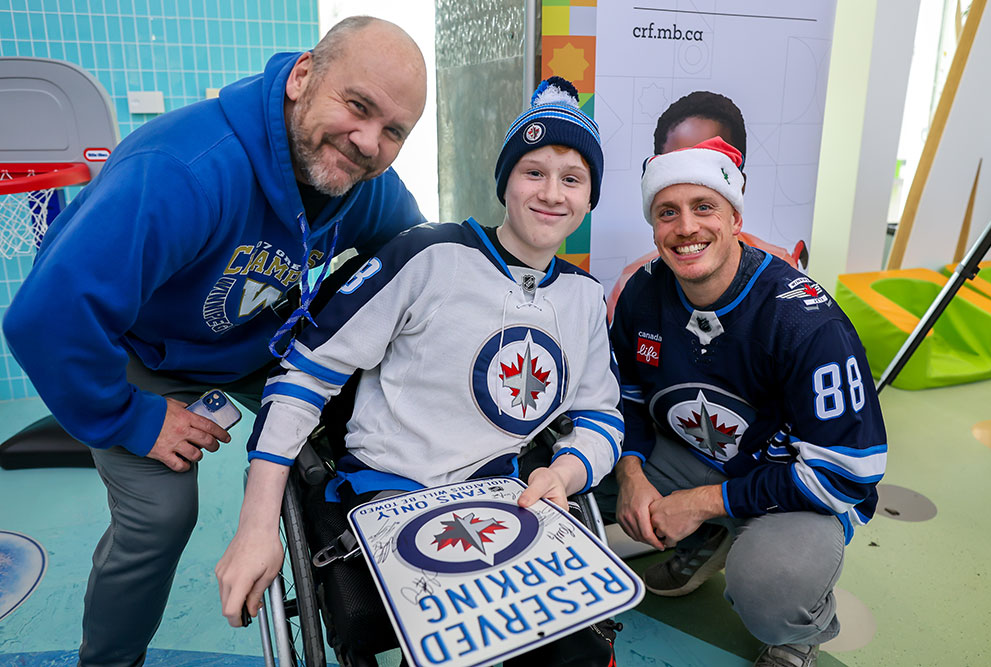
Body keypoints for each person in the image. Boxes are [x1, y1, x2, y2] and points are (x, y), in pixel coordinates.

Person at [2, 16, 427, 667]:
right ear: (302, 76)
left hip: (267, 344)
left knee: (376, 436)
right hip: (143, 357)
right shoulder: (182, 171)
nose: (369, 141)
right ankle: (108, 661)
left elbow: (420, 257)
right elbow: (45, 316)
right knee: (161, 514)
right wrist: (132, 416)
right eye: (358, 105)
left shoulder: (362, 182)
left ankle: (368, 608)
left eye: (393, 130)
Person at [216, 76, 624, 665]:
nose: (552, 193)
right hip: (393, 496)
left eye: (572, 178)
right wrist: (256, 525)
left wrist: (565, 471)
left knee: (581, 654)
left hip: (505, 495)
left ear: (590, 199)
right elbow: (305, 375)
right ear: (505, 179)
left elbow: (600, 417)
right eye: (534, 171)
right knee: (457, 646)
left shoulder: (585, 299)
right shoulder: (429, 256)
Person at [596, 136, 887, 667]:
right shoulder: (642, 291)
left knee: (773, 586)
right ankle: (707, 538)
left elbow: (849, 473)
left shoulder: (805, 321)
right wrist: (633, 473)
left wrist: (704, 502)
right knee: (573, 463)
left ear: (734, 218)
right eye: (667, 212)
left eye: (703, 206)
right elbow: (627, 400)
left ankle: (798, 632)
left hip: (790, 486)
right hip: (690, 458)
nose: (686, 228)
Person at [607, 91, 808, 317]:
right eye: (676, 168)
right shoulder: (633, 285)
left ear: (739, 188)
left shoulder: (783, 281)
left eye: (712, 165)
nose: (687, 227)